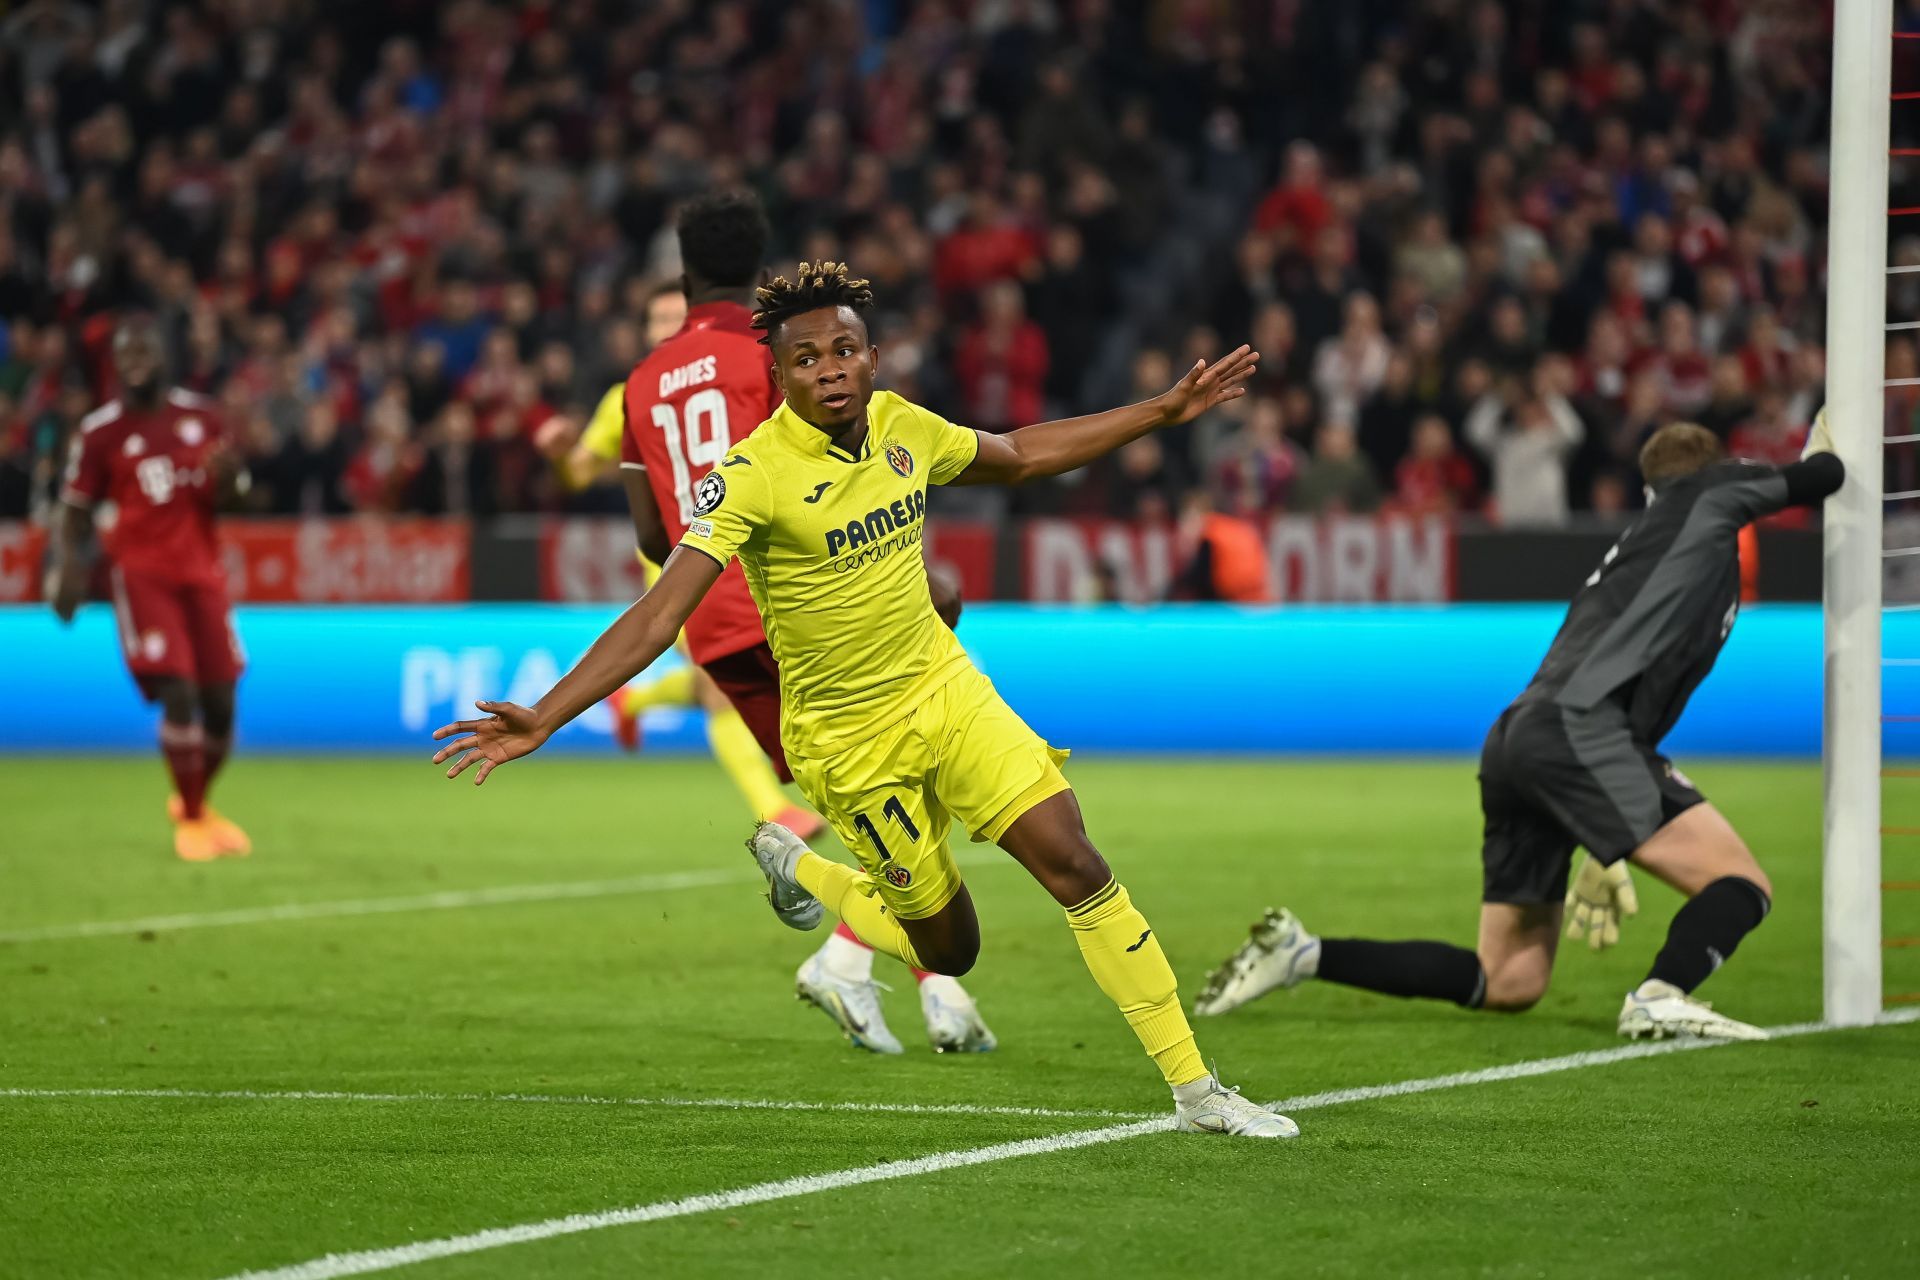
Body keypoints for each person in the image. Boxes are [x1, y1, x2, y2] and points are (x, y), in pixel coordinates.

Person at [432, 261, 1295, 1137]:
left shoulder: (900, 427)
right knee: (952, 947)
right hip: (848, 743)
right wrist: (545, 712)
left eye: (845, 350)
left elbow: (1024, 453)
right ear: (779, 375)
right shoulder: (752, 474)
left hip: (944, 687)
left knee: (1075, 862)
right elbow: (661, 613)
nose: (830, 370)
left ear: (873, 358)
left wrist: (1162, 409)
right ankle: (802, 864)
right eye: (806, 359)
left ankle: (1197, 1093)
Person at [1194, 419, 1847, 1042]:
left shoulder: (1655, 548)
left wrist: (1604, 841)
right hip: (1578, 734)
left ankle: (1301, 954)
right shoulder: (1707, 495)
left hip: (1522, 739)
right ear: (1719, 472)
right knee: (1741, 883)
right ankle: (1660, 994)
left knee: (1508, 978)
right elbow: (1825, 474)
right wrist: (1829, 424)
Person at [606, 197, 999, 1057]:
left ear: (681, 276)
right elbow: (821, 477)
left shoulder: (638, 383)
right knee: (900, 785)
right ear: (758, 275)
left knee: (887, 804)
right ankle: (897, 977)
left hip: (711, 624)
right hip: (806, 608)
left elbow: (650, 536)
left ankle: (880, 977)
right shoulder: (772, 354)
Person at [47, 319, 251, 861]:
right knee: (179, 692)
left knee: (223, 701)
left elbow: (234, 495)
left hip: (202, 573)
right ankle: (189, 818)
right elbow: (75, 511)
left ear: (165, 355)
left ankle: (197, 806)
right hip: (142, 576)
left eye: (143, 347)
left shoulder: (202, 417)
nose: (134, 358)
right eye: (124, 351)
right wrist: (65, 570)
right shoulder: (100, 431)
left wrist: (231, 480)